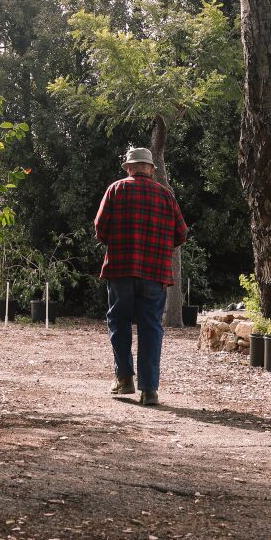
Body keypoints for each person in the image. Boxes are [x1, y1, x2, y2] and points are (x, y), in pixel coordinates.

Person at [93, 145, 189, 407]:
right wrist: (159, 247)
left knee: (119, 321)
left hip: (121, 269)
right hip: (154, 272)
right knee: (151, 327)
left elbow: (100, 229)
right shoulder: (166, 195)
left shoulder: (116, 189)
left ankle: (124, 378)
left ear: (128, 167)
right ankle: (149, 390)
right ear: (150, 169)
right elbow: (181, 233)